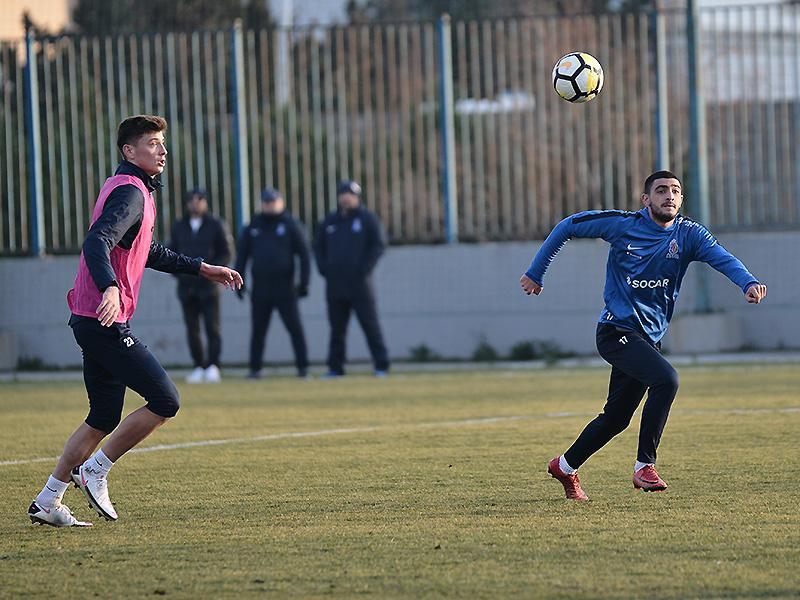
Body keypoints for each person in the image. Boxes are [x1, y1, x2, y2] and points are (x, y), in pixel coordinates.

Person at [27, 115, 242, 527]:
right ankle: (95, 469)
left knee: (103, 417)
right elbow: (97, 240)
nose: (163, 150)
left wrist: (202, 268)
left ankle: (48, 500)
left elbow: (149, 250)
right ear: (129, 151)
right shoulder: (130, 192)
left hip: (90, 318)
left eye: (162, 143)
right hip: (103, 318)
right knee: (166, 400)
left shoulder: (130, 188)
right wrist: (109, 287)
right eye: (153, 143)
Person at [520, 170, 767, 500]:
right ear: (646, 199)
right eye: (661, 190)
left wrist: (748, 282)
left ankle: (564, 466)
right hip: (615, 331)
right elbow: (568, 226)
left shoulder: (689, 234)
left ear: (681, 199)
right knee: (667, 379)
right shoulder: (622, 225)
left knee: (616, 419)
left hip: (647, 339)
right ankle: (644, 466)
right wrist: (535, 273)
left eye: (675, 190)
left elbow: (723, 259)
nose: (669, 195)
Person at [314, 180, 390, 377]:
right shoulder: (330, 221)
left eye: (351, 194)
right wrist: (325, 269)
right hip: (335, 284)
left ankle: (381, 365)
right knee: (337, 329)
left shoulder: (367, 219)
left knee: (370, 324)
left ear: (357, 197)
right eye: (344, 194)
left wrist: (364, 268)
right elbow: (318, 247)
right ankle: (335, 367)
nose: (347, 198)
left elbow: (378, 245)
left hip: (360, 284)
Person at [235, 188, 310, 378]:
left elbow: (304, 255)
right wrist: (239, 282)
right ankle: (255, 369)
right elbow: (242, 256)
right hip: (261, 288)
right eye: (266, 202)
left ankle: (303, 368)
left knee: (295, 328)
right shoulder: (254, 226)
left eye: (273, 202)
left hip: (285, 287)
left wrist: (304, 282)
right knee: (258, 330)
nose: (270, 205)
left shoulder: (290, 224)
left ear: (281, 202)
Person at [168, 188, 233, 383]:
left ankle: (213, 365)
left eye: (199, 200)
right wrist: (181, 274)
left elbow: (226, 252)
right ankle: (199, 365)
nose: (195, 203)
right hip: (187, 287)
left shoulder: (215, 224)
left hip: (209, 286)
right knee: (192, 328)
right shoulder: (179, 226)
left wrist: (213, 272)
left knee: (212, 327)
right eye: (192, 200)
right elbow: (170, 253)